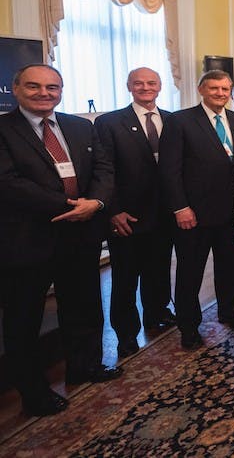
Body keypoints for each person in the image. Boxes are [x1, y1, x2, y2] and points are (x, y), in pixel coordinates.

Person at [0, 64, 119, 417]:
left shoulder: (80, 126)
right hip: (28, 238)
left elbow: (103, 169)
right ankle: (34, 393)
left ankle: (85, 366)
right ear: (16, 88)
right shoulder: (4, 130)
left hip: (81, 235)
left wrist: (95, 203)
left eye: (52, 87)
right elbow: (8, 183)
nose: (44, 93)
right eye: (34, 87)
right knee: (24, 319)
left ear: (61, 90)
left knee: (83, 304)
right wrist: (70, 205)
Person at [160, 69, 234, 349]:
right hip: (194, 215)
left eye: (225, 89)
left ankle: (229, 313)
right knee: (190, 273)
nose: (220, 94)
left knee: (230, 269)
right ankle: (189, 327)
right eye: (214, 88)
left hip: (231, 213)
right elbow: (169, 169)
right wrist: (180, 207)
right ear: (201, 90)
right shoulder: (180, 121)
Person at [94, 67, 175, 360]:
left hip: (165, 213)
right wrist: (113, 210)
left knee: (159, 269)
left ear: (160, 86)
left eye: (151, 83)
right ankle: (126, 334)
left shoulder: (171, 119)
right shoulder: (109, 122)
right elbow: (103, 170)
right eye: (138, 83)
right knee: (126, 278)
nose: (145, 87)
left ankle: (157, 313)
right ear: (128, 86)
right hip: (127, 215)